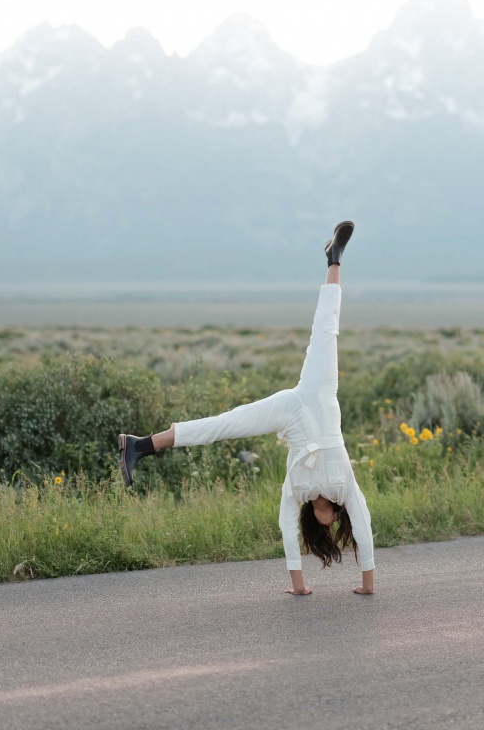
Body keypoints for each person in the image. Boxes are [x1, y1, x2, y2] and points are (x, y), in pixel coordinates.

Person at [118, 221, 375, 596]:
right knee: (326, 328)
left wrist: (300, 587)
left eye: (329, 524)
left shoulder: (297, 493)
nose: (334, 519)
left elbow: (288, 529)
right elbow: (364, 524)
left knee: (225, 426)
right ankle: (334, 259)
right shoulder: (346, 489)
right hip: (318, 395)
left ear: (317, 523)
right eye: (337, 518)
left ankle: (139, 446)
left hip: (290, 412)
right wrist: (369, 585)